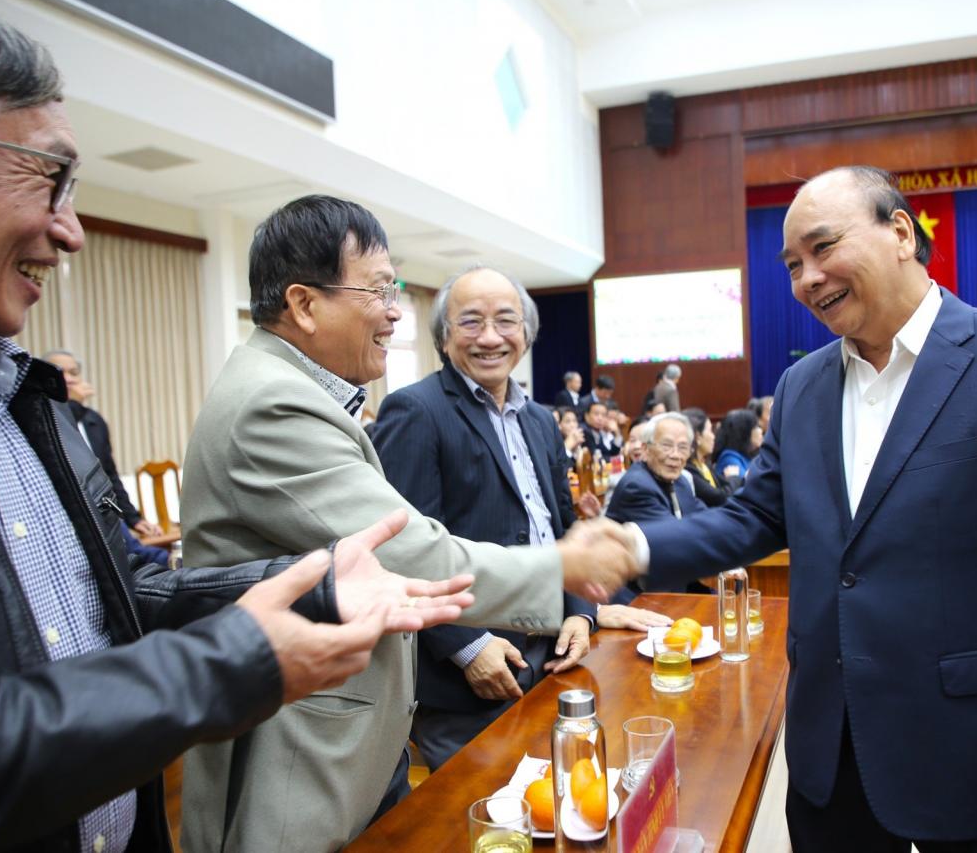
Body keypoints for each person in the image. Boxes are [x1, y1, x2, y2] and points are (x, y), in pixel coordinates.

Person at [0, 0, 477, 850]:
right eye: (49, 177)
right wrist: (224, 669)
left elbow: (117, 600)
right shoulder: (267, 397)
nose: (72, 232)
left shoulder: (25, 405)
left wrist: (316, 580)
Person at [625, 166, 977, 852]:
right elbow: (753, 519)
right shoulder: (802, 385)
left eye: (824, 248)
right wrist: (634, 549)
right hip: (834, 758)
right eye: (793, 264)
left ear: (900, 233)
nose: (806, 279)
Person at [178, 197, 637, 852]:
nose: (396, 310)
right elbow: (410, 552)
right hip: (300, 747)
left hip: (357, 727)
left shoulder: (304, 392)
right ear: (305, 305)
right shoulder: (272, 405)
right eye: (380, 289)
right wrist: (565, 566)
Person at [372, 267, 601, 769]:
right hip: (472, 671)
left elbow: (563, 528)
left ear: (527, 332)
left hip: (554, 653)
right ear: (443, 336)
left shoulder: (539, 418)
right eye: (471, 322)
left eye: (506, 321)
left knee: (556, 804)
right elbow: (399, 551)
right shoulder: (414, 410)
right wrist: (467, 646)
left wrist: (581, 612)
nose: (491, 337)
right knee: (481, 823)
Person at [43, 349, 164, 537]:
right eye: (61, 372)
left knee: (153, 556)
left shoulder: (93, 421)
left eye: (74, 373)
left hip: (103, 516)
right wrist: (73, 404)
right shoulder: (42, 419)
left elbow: (109, 474)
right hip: (66, 521)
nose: (70, 379)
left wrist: (133, 518)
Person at [606, 413, 706, 527]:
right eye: (667, 445)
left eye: (683, 447)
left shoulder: (681, 481)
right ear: (646, 449)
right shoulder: (636, 486)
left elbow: (704, 518)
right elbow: (674, 535)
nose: (675, 455)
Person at [682, 407, 731, 507]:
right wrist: (734, 477)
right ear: (697, 436)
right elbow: (720, 497)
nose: (713, 436)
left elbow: (726, 488)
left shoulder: (704, 464)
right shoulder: (687, 469)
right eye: (710, 431)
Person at [711, 407, 761, 488]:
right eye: (756, 427)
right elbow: (747, 487)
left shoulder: (749, 455)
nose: (760, 430)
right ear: (743, 432)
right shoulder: (729, 458)